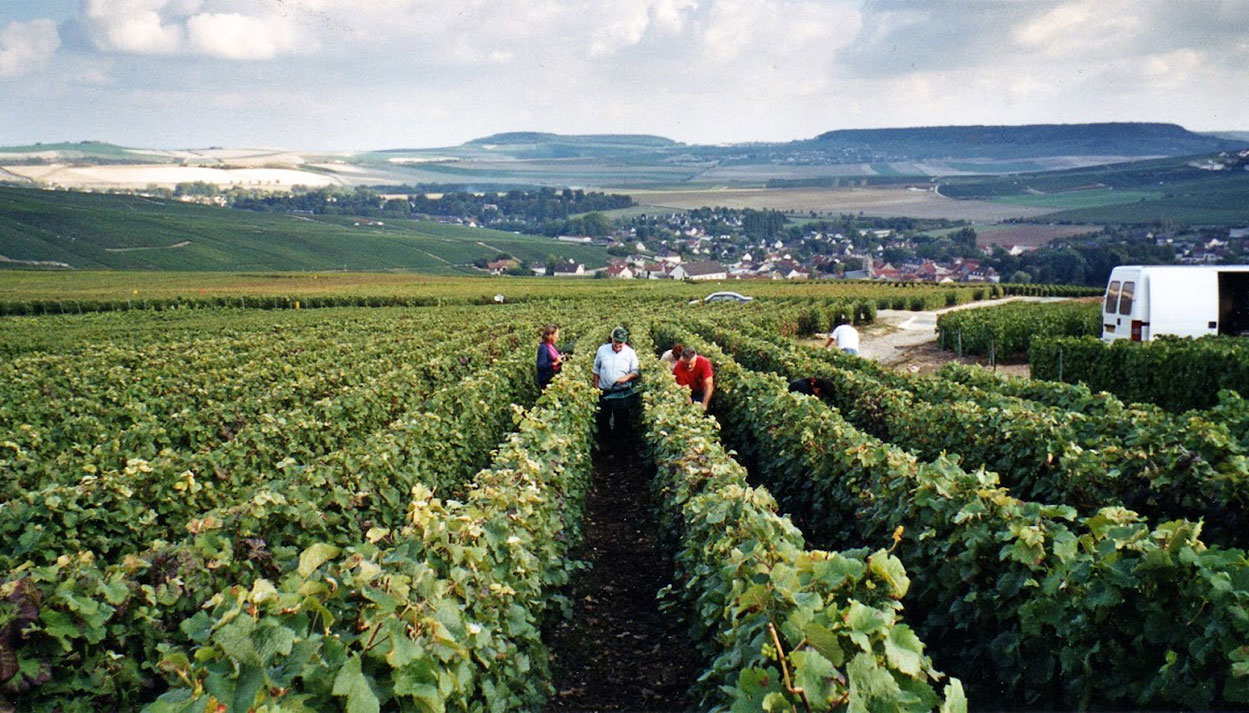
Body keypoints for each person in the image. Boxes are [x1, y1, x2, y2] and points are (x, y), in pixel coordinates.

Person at [593, 327, 641, 442]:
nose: (618, 345)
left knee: (621, 420)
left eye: (621, 343)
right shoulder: (602, 350)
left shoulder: (630, 353)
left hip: (621, 393)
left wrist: (627, 377)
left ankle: (619, 445)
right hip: (604, 391)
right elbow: (596, 370)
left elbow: (636, 371)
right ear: (612, 339)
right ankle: (606, 443)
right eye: (616, 342)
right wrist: (596, 389)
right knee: (603, 419)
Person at [673, 346, 714, 412]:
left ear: (696, 359)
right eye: (686, 364)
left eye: (691, 364)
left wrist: (704, 404)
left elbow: (709, 385)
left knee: (705, 409)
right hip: (689, 392)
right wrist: (690, 405)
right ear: (683, 360)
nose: (689, 366)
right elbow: (683, 389)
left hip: (702, 391)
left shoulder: (704, 362)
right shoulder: (678, 368)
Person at [535, 324, 563, 389]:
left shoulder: (551, 345)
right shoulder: (543, 348)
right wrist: (554, 363)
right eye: (557, 334)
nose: (558, 336)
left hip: (552, 377)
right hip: (546, 380)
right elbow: (540, 366)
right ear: (551, 335)